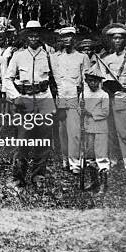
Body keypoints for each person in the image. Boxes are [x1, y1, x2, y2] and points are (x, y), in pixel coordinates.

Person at [3, 20, 56, 187]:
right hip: (25, 100)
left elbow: (55, 79)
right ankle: (17, 178)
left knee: (44, 140)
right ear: (26, 37)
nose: (34, 37)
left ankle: (38, 176)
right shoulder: (18, 55)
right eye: (30, 34)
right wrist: (16, 96)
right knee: (23, 140)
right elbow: (7, 79)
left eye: (36, 33)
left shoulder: (49, 54)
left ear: (40, 36)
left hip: (44, 99)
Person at [100, 23, 126, 178]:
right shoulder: (106, 58)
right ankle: (113, 159)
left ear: (125, 40)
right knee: (109, 130)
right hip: (107, 96)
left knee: (124, 132)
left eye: (120, 38)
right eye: (114, 38)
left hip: (122, 97)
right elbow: (101, 77)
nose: (117, 41)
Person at [51, 27, 90, 173]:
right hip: (61, 98)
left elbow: (86, 81)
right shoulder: (55, 58)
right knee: (62, 131)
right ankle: (65, 159)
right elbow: (54, 80)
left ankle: (75, 163)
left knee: (74, 132)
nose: (67, 40)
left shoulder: (82, 57)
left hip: (75, 98)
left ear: (74, 39)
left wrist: (83, 99)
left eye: (70, 37)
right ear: (60, 39)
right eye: (64, 37)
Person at [82, 63, 110, 193]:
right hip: (88, 128)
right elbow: (79, 110)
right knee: (90, 156)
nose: (92, 83)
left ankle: (104, 185)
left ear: (99, 82)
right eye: (90, 81)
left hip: (100, 129)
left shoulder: (104, 95)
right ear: (86, 81)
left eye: (95, 81)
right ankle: (94, 182)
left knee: (101, 155)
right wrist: (81, 111)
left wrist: (90, 113)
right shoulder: (83, 95)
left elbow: (105, 112)